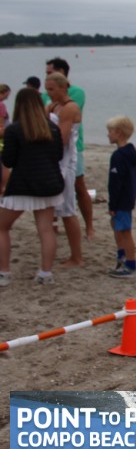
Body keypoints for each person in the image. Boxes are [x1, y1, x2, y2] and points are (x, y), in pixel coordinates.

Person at [0, 88, 65, 286]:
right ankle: (45, 272)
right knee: (46, 229)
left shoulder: (14, 130)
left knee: (2, 227)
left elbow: (9, 160)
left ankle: (4, 272)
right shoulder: (52, 129)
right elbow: (59, 156)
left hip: (22, 185)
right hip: (49, 184)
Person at [43, 58, 95, 240]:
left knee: (79, 186)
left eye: (50, 72)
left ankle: (89, 227)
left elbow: (63, 131)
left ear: (62, 73)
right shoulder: (49, 98)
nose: (47, 75)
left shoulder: (76, 94)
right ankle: (53, 226)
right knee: (52, 190)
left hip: (73, 149)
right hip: (53, 152)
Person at [44, 73, 84, 267]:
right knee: (50, 208)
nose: (48, 93)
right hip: (53, 161)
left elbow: (62, 139)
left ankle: (77, 257)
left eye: (51, 89)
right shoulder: (54, 106)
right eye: (47, 89)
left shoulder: (70, 107)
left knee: (68, 210)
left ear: (63, 87)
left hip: (66, 162)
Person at [106, 116, 136, 278]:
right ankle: (121, 256)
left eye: (110, 131)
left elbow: (116, 183)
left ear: (119, 133)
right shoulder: (129, 152)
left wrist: (112, 205)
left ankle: (130, 264)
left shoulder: (119, 156)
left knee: (125, 231)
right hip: (127, 198)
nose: (108, 134)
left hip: (122, 200)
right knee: (116, 226)